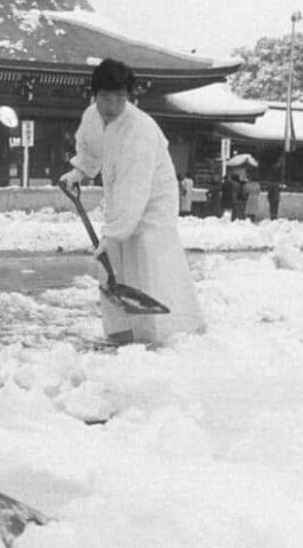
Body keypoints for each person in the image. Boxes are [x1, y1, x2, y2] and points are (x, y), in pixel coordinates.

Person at [59, 59, 205, 346]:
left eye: (120, 98)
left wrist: (112, 234)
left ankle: (166, 335)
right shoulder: (92, 116)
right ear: (94, 95)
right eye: (105, 98)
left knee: (148, 261)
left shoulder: (139, 130)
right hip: (122, 199)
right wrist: (80, 170)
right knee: (114, 267)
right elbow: (90, 148)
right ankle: (122, 334)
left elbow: (133, 188)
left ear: (129, 97)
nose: (113, 105)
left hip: (152, 201)